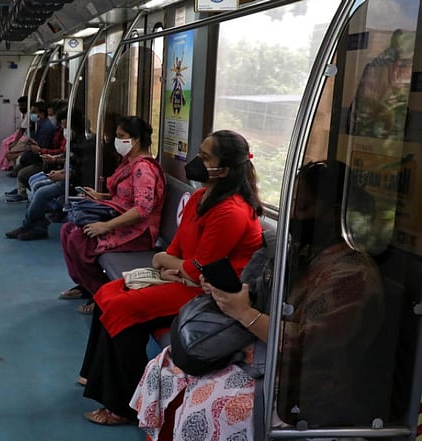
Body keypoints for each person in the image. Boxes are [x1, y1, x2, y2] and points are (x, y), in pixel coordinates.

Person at [131, 160, 384, 439]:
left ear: (333, 214)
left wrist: (244, 313)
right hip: (263, 355)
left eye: (302, 207)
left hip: (305, 385)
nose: (293, 215)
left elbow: (307, 345)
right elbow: (265, 294)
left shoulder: (352, 277)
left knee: (205, 405)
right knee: (166, 367)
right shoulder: (304, 252)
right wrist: (228, 292)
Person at [79, 130, 264, 426]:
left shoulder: (231, 211)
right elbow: (178, 246)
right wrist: (169, 261)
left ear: (225, 169)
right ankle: (94, 374)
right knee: (108, 292)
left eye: (204, 158)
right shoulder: (202, 197)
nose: (197, 162)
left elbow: (200, 269)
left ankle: (124, 405)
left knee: (122, 308)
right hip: (181, 278)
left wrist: (169, 262)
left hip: (209, 293)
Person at [58, 117, 165, 309]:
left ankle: (102, 293)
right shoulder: (128, 163)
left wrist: (105, 226)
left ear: (137, 140)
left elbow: (142, 209)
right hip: (121, 220)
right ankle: (86, 285)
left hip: (139, 231)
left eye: (121, 137)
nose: (117, 141)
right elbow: (124, 198)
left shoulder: (144, 169)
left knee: (78, 239)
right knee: (67, 229)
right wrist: (100, 196)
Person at [4, 108, 86, 241]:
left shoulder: (84, 144)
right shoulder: (74, 140)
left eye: (67, 127)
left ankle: (28, 226)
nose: (65, 131)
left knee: (41, 192)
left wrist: (65, 174)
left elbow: (82, 170)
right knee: (37, 186)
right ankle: (39, 228)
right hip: (65, 173)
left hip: (74, 181)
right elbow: (69, 159)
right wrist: (59, 168)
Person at [5, 101, 57, 203]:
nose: (32, 115)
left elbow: (43, 149)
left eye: (34, 112)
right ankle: (21, 192)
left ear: (41, 113)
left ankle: (31, 195)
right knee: (19, 166)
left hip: (43, 161)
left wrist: (33, 148)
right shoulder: (41, 124)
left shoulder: (46, 128)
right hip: (37, 156)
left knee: (22, 173)